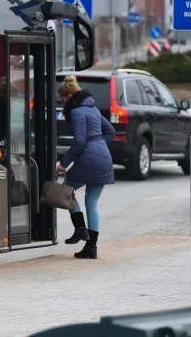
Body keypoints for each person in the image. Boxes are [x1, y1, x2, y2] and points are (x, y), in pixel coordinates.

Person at [57, 74, 115, 259]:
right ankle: (92, 248)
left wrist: (63, 163)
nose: (63, 103)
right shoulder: (94, 109)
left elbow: (80, 141)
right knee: (92, 203)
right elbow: (110, 132)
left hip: (89, 159)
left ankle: (80, 230)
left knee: (66, 191)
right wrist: (98, 144)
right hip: (104, 158)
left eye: (62, 99)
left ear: (68, 97)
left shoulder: (76, 112)